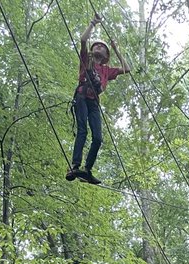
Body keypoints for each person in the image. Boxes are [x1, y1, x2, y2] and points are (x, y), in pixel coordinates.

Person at [67, 14, 130, 185]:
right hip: (81, 96)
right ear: (93, 49)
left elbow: (127, 68)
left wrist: (116, 49)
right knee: (82, 131)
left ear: (105, 55)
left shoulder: (106, 70)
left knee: (98, 138)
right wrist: (93, 23)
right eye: (97, 46)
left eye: (103, 47)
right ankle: (74, 165)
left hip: (93, 102)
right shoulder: (86, 59)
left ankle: (87, 170)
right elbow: (82, 40)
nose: (99, 48)